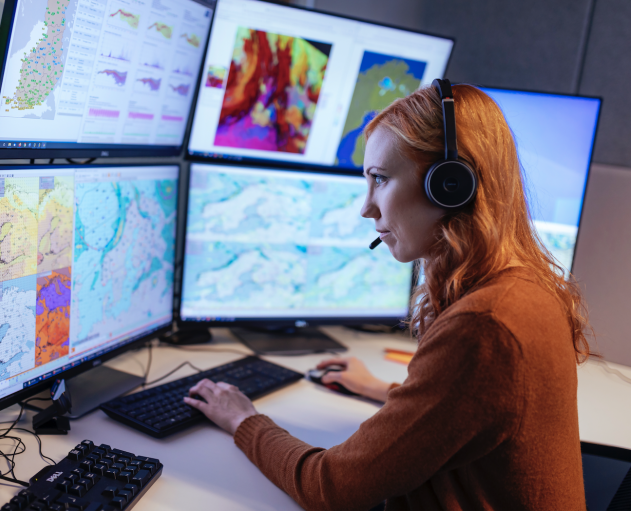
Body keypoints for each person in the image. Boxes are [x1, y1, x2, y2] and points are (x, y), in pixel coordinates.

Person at [183, 83, 590, 511]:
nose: (367, 208)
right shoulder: (521, 290)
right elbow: (470, 407)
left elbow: (331, 487)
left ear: (449, 186)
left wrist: (243, 419)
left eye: (379, 178)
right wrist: (381, 389)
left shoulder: (485, 324)